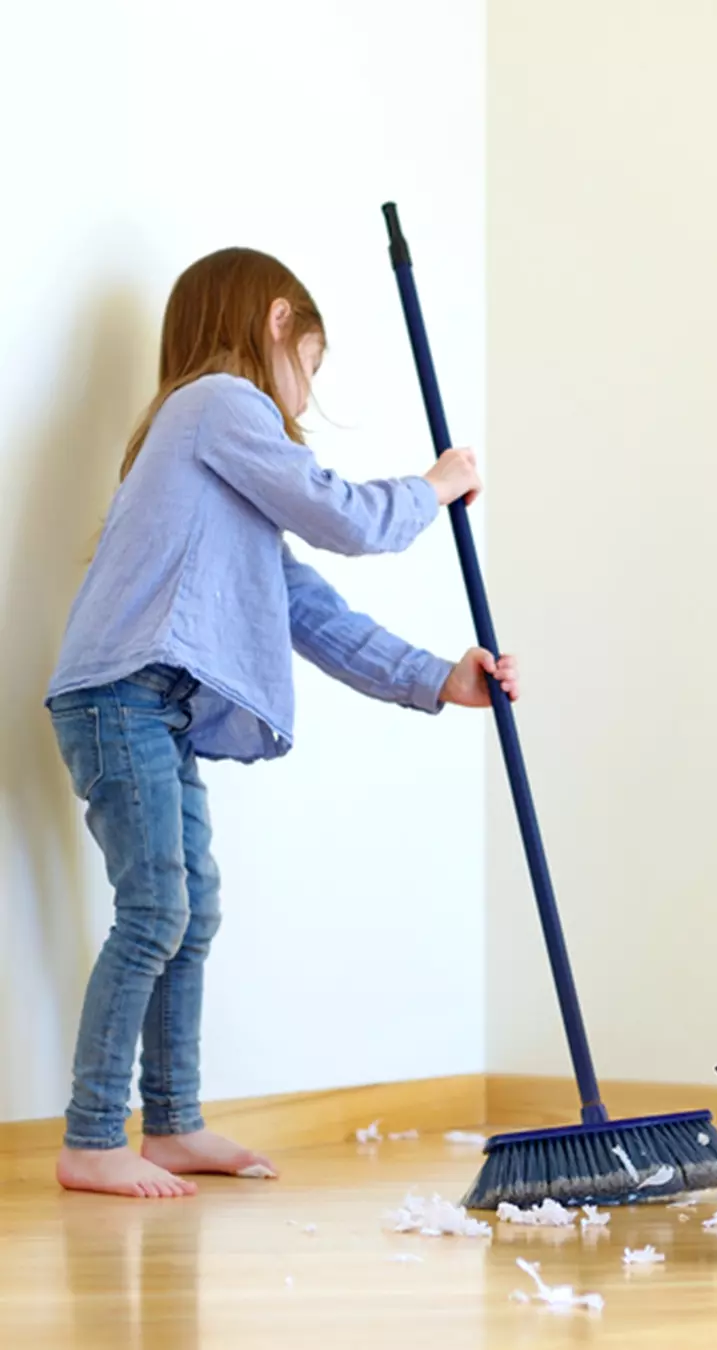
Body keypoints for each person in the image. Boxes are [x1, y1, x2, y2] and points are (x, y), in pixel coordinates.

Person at [46, 247, 516, 1199]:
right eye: (313, 359)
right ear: (274, 324)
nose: (307, 391)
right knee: (156, 911)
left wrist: (435, 679)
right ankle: (94, 1135)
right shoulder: (221, 405)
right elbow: (342, 516)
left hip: (153, 704)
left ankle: (171, 1124)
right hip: (118, 695)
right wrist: (432, 486)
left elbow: (307, 609)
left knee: (192, 909)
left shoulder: (214, 457)